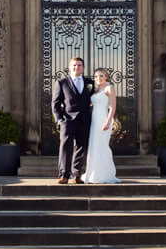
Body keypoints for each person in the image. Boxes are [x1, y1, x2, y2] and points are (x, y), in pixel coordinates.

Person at [50, 56, 93, 184]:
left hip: (84, 120)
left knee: (81, 147)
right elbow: (55, 103)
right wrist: (59, 119)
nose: (76, 67)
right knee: (65, 147)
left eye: (79, 65)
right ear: (69, 67)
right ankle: (64, 174)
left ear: (83, 68)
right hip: (67, 120)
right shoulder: (62, 82)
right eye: (74, 65)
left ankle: (77, 175)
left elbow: (94, 99)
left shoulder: (90, 83)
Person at [79, 68, 120, 184]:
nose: (98, 78)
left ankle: (103, 174)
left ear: (106, 76)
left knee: (101, 146)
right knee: (93, 147)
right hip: (94, 120)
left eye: (101, 76)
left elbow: (112, 107)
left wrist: (108, 122)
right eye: (96, 76)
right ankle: (92, 173)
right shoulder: (95, 89)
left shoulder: (109, 88)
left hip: (103, 119)